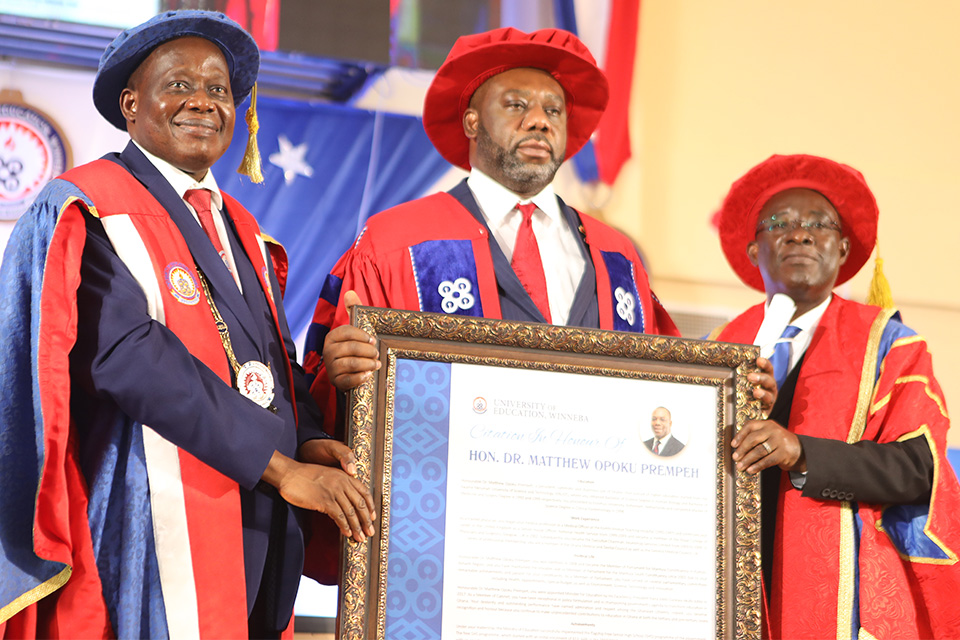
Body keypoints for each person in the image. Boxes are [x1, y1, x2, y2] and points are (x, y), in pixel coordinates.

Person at [0, 11, 374, 639]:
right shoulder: (89, 206)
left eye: (218, 89)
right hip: (151, 515)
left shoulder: (244, 230)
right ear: (130, 104)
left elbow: (269, 365)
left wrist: (308, 437)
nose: (202, 101)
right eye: (178, 84)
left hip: (256, 518)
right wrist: (282, 466)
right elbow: (133, 357)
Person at [305, 27, 687, 422]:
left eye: (553, 110)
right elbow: (326, 406)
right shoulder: (394, 243)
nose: (539, 121)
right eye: (516, 105)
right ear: (472, 123)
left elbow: (667, 392)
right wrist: (339, 378)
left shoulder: (617, 255)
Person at [709, 154, 960, 639]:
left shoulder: (888, 344)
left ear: (843, 249)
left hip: (841, 601)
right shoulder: (718, 348)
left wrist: (802, 453)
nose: (799, 235)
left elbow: (917, 469)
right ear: (754, 250)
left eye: (817, 224)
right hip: (728, 592)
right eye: (779, 223)